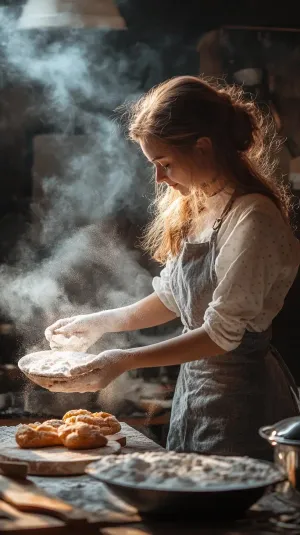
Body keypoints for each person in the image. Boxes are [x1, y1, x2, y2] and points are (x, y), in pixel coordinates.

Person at [45, 76, 300, 459]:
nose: (160, 178)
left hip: (242, 404)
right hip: (195, 393)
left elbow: (220, 335)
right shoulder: (202, 204)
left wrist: (122, 361)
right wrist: (100, 323)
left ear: (202, 148)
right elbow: (171, 297)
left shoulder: (253, 219)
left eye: (164, 163)